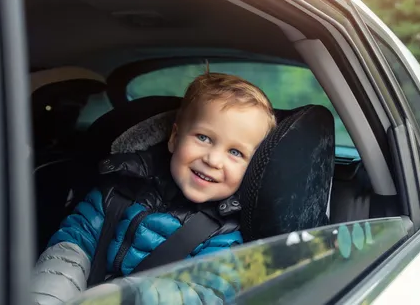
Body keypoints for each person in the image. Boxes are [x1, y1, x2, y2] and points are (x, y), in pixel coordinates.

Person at [31, 71, 277, 305]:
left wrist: (126, 296)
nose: (213, 160)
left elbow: (204, 294)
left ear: (252, 168)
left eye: (235, 152)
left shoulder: (226, 238)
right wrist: (50, 296)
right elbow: (72, 245)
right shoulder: (117, 191)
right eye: (203, 137)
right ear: (174, 138)